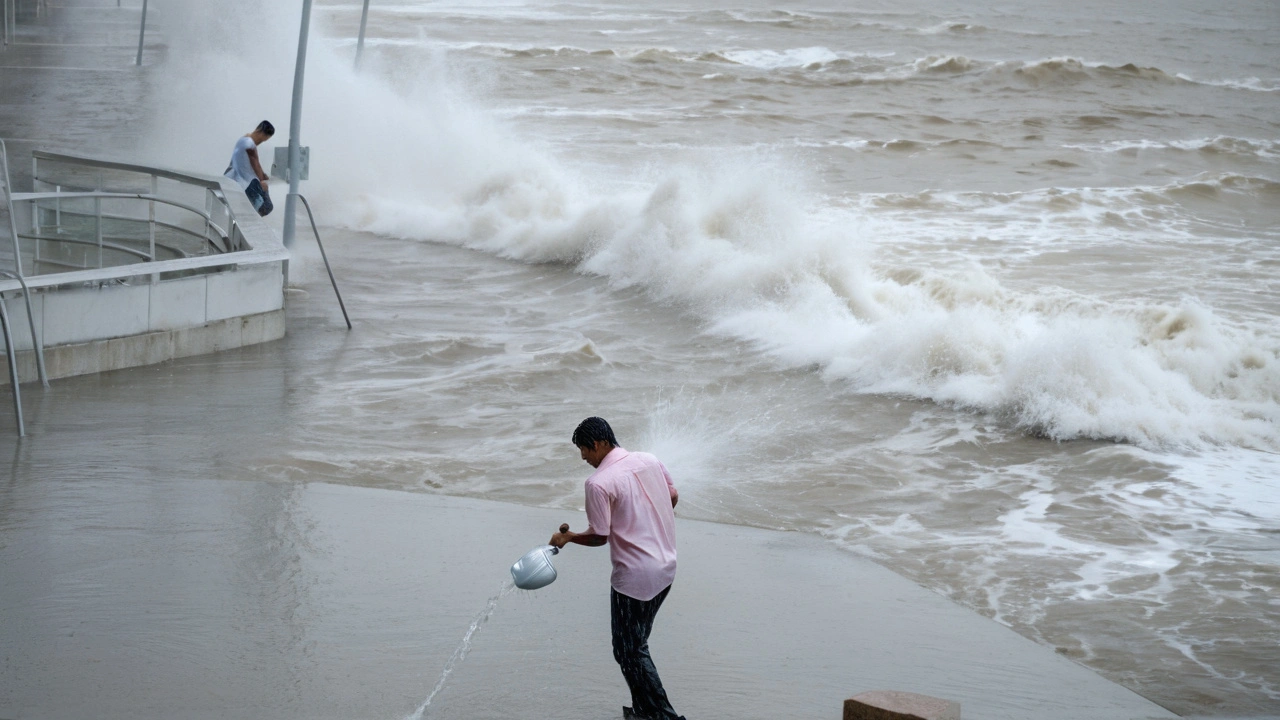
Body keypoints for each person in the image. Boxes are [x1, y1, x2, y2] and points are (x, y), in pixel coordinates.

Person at [550, 417, 686, 720]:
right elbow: (672, 495)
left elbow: (600, 534)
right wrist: (647, 522)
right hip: (666, 567)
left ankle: (663, 716)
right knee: (636, 647)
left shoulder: (598, 483)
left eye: (584, 450)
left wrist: (568, 537)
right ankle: (643, 710)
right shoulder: (648, 459)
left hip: (634, 579)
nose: (583, 457)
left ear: (598, 444)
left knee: (629, 651)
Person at [224, 120, 275, 216]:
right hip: (243, 182)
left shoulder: (244, 140)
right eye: (262, 140)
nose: (260, 143)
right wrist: (261, 181)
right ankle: (245, 221)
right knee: (267, 206)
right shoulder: (248, 143)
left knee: (262, 205)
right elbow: (255, 163)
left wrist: (263, 176)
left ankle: (244, 219)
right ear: (259, 131)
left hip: (239, 180)